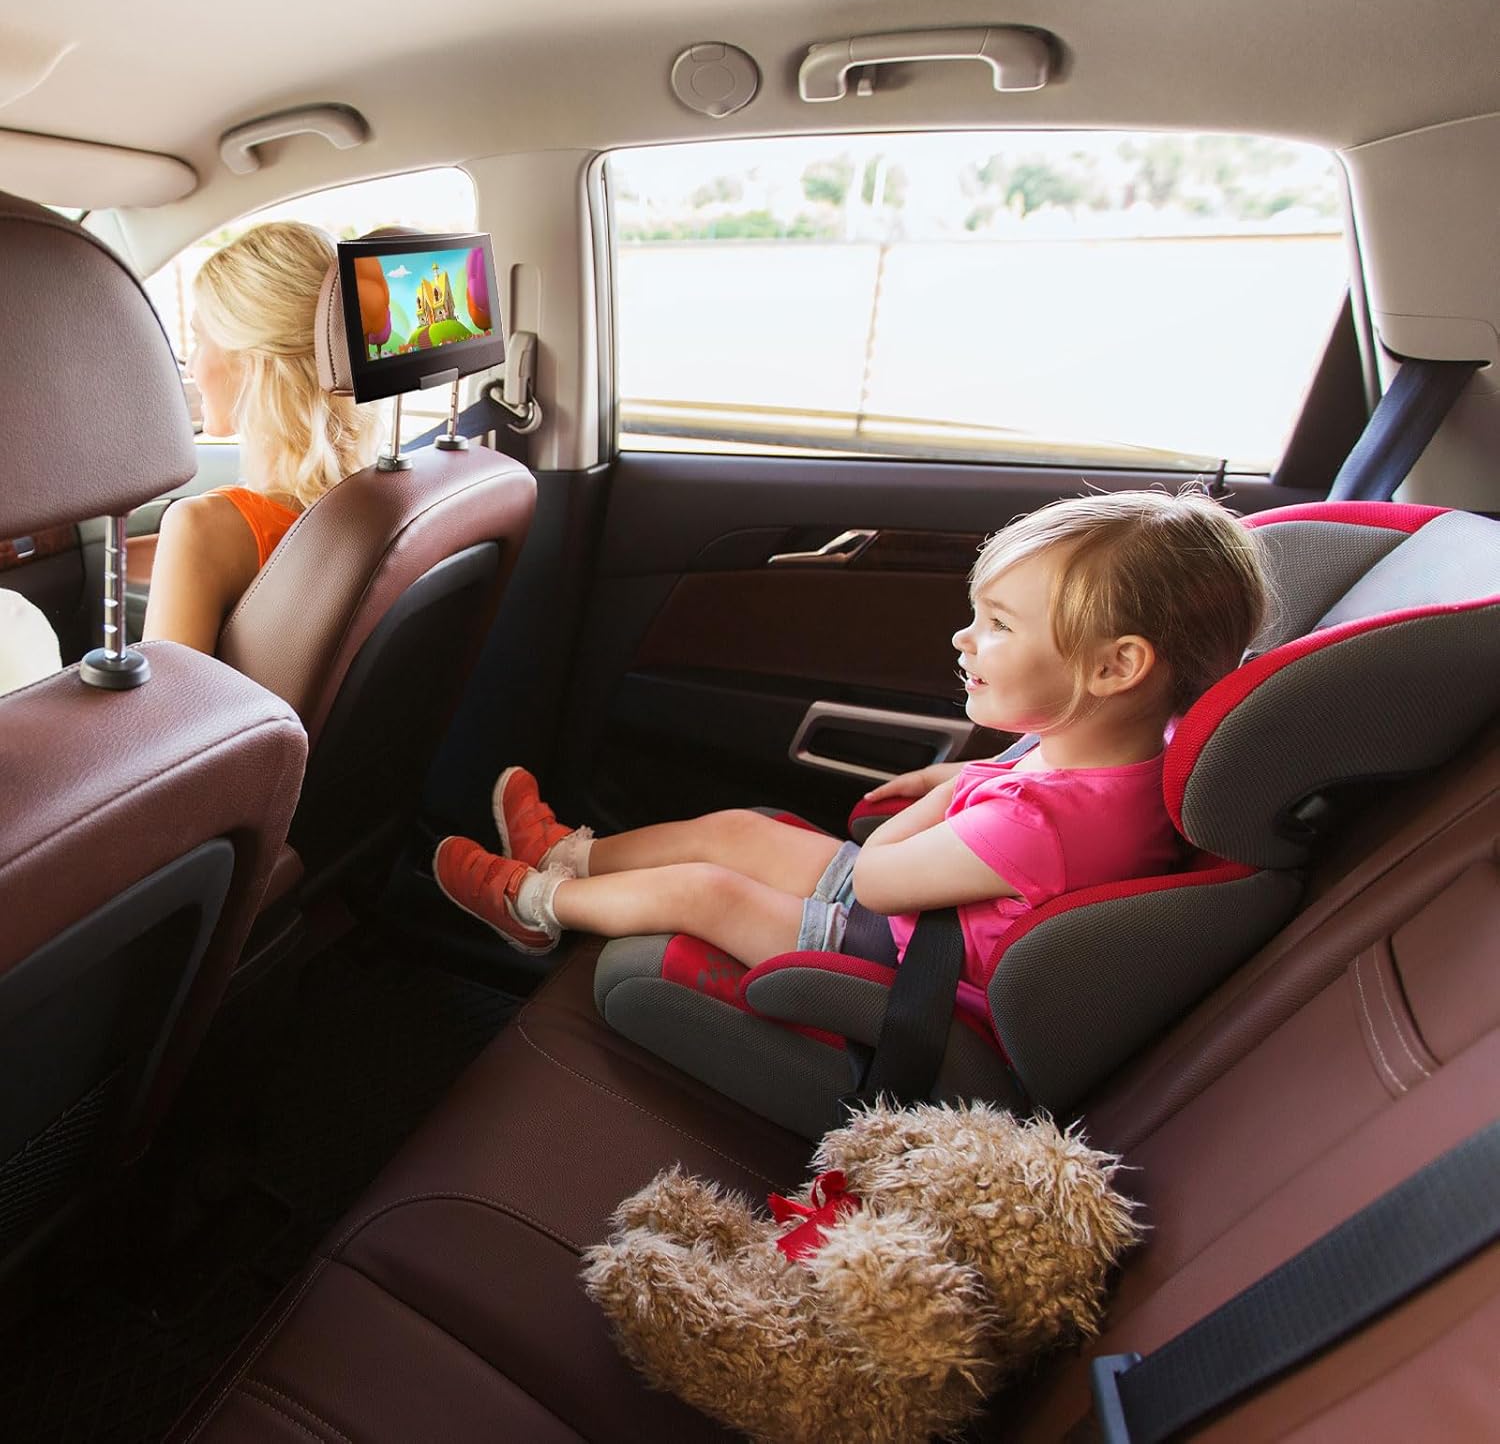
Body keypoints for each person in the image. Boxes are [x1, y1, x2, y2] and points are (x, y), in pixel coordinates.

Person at [432, 489, 1269, 997]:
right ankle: (567, 854)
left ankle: (534, 907)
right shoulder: (1126, 744)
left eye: (999, 625)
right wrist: (963, 776)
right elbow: (1022, 788)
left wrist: (949, 793)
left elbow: (875, 875)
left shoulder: (1046, 825)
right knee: (737, 831)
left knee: (704, 891)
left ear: (1117, 666)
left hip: (896, 959)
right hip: (923, 914)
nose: (964, 639)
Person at [136, 221, 382, 654]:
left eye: (200, 339)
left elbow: (169, 698)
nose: (192, 366)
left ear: (254, 363)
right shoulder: (383, 494)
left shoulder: (201, 528)